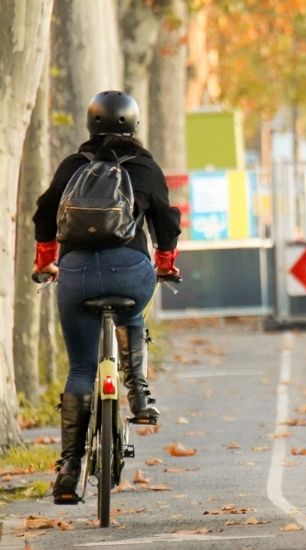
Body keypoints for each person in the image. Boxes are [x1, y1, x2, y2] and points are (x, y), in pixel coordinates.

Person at [32, 90, 181, 504]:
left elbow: (45, 213)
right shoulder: (145, 168)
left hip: (76, 274)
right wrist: (165, 264)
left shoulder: (73, 166)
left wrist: (46, 261)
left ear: (90, 124)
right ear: (133, 125)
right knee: (133, 310)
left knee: (81, 368)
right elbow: (167, 223)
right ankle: (138, 389)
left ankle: (68, 469)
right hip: (130, 272)